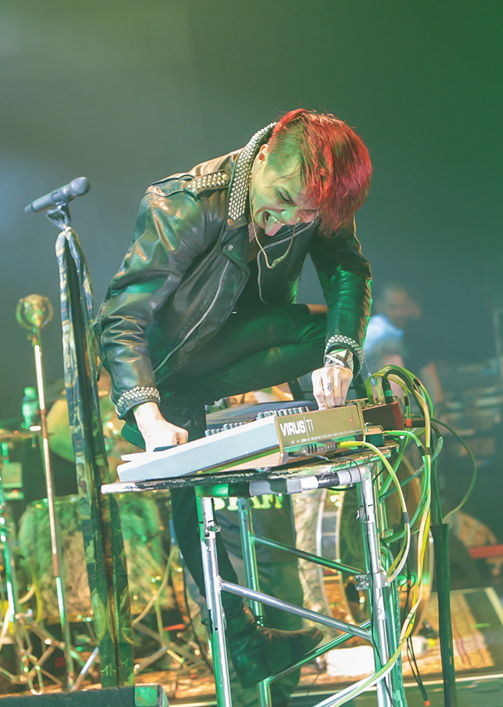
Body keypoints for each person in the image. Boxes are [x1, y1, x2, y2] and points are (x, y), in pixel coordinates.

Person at [96, 109, 372, 687]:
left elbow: (347, 267)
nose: (291, 220)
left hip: (235, 348)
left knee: (332, 334)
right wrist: (149, 414)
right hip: (168, 373)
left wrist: (339, 358)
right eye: (284, 200)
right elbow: (121, 319)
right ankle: (242, 642)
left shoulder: (314, 194)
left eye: (307, 214)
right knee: (189, 495)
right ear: (264, 156)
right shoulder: (186, 204)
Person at [364, 282, 444, 409]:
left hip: (410, 408)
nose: (399, 313)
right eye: (393, 307)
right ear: (379, 306)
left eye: (403, 306)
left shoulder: (415, 334)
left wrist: (440, 410)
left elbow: (428, 370)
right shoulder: (375, 331)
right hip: (376, 408)